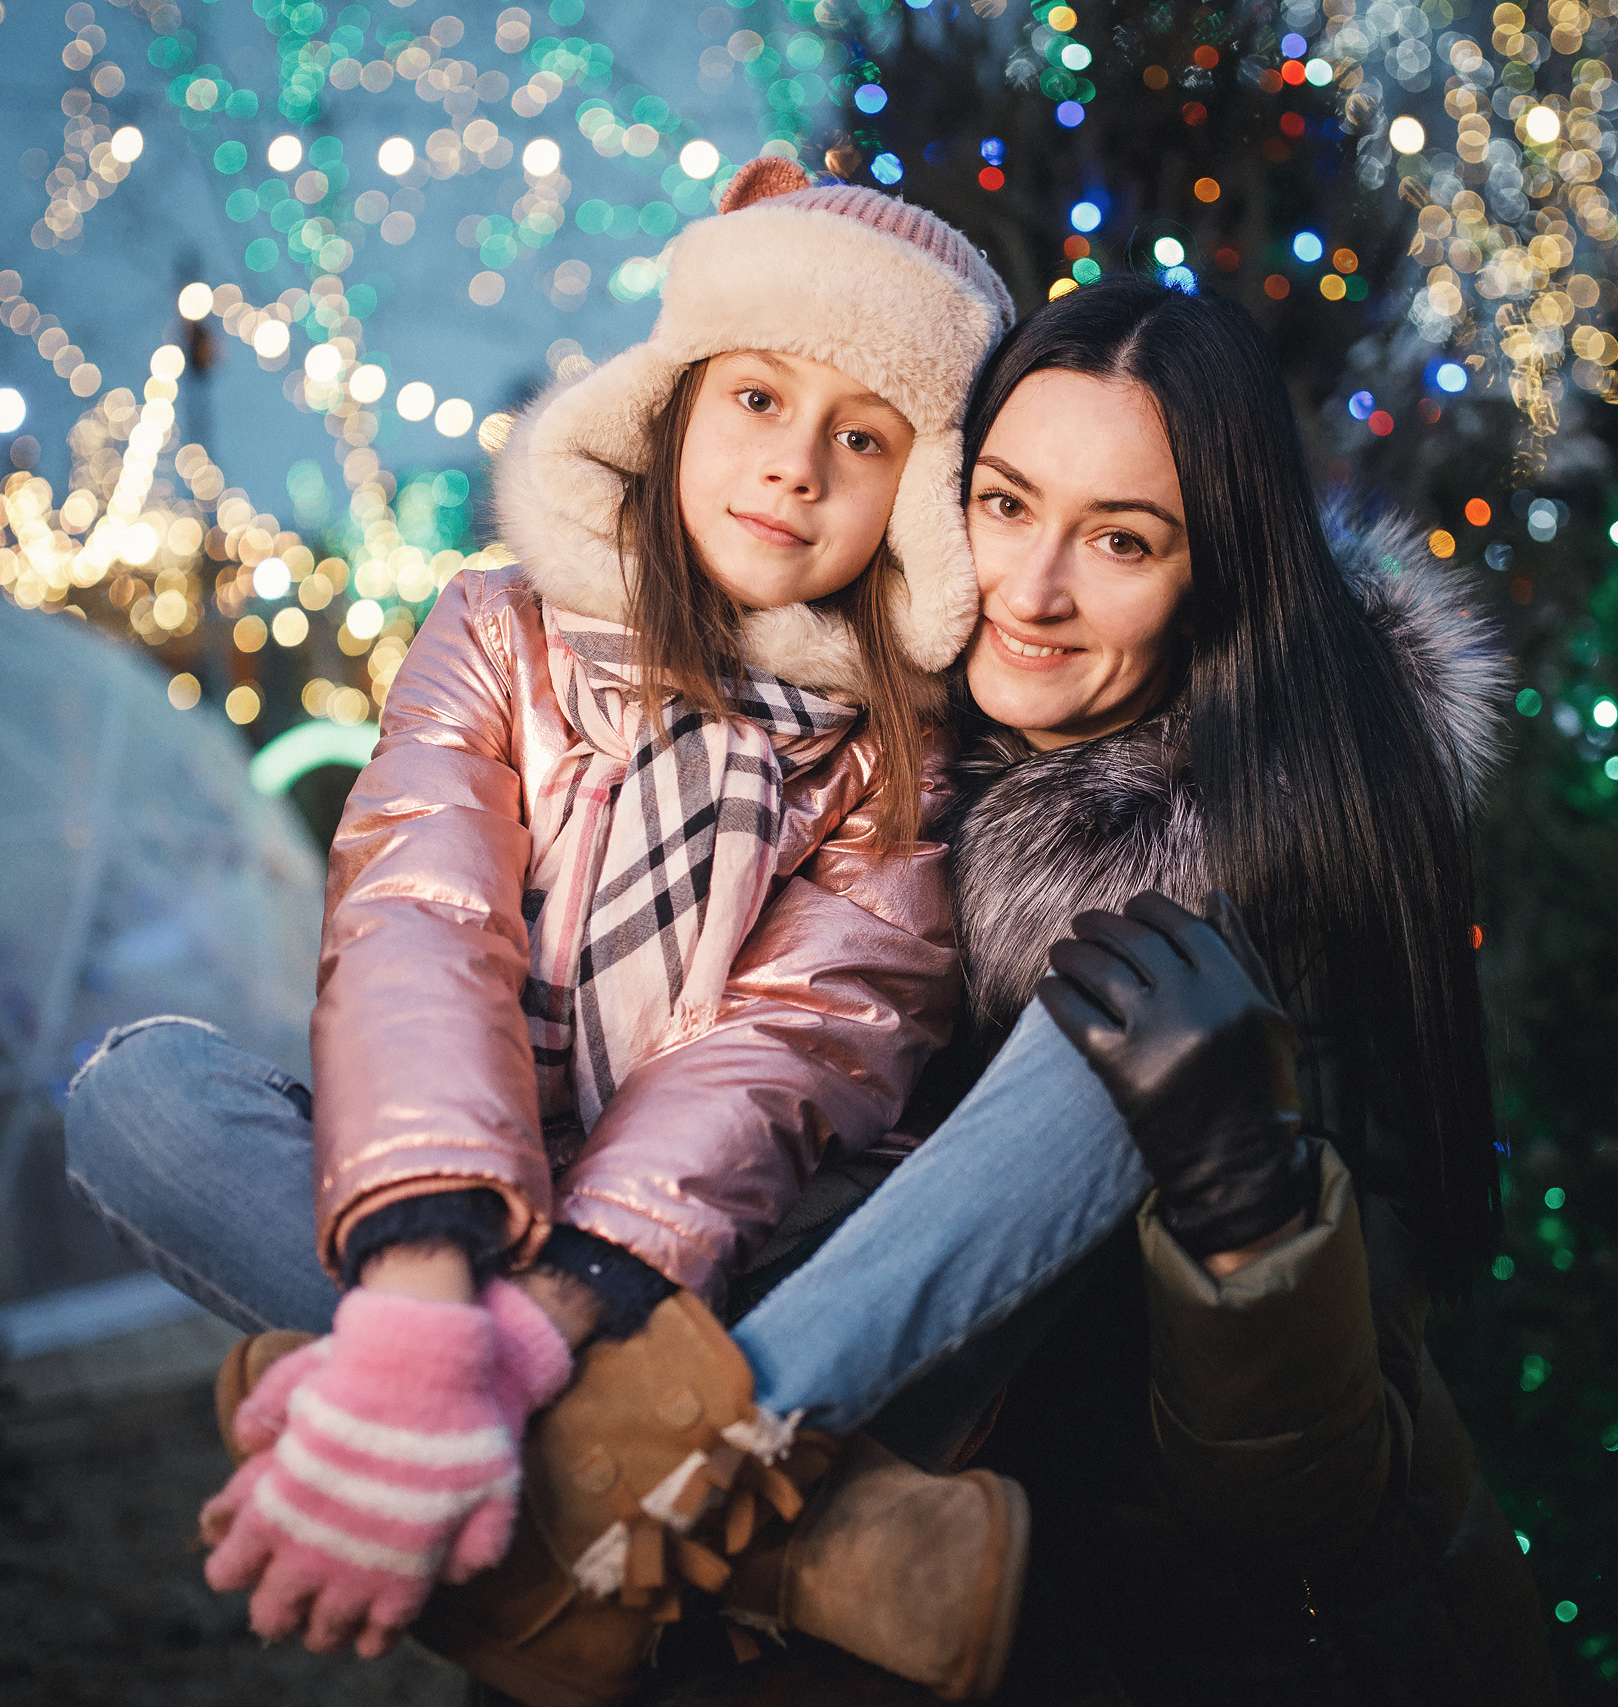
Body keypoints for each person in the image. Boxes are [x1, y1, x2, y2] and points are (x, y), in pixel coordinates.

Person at [63, 156, 1014, 1669]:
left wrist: (545, 1315)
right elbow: (421, 923)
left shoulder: (899, 754)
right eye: (758, 399)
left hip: (717, 1244)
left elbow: (791, 1054)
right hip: (485, 1186)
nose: (796, 468)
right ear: (673, 402)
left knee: (847, 1230)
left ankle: (494, 1444)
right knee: (141, 1103)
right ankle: (682, 1500)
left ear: (921, 496)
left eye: (865, 438)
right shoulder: (500, 631)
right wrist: (436, 1270)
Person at [646, 275, 1560, 1703]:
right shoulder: (858, 770)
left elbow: (1307, 1517)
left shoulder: (1292, 867)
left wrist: (1246, 1205)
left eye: (1121, 541)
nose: (1033, 589)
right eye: (1005, 505)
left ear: (1219, 574)